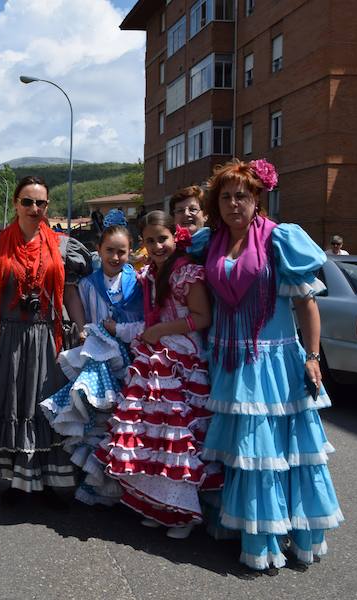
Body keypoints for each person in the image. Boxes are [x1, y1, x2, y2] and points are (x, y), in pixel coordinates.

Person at [197, 159, 342, 573]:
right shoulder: (211, 242)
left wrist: (312, 358)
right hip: (229, 360)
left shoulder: (281, 240)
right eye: (225, 197)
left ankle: (282, 537)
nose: (233, 203)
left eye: (241, 195)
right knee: (247, 456)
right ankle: (252, 531)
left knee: (282, 453)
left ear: (257, 198)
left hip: (275, 362)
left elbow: (306, 305)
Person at [0, 175, 91, 507]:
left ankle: (44, 482)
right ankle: (18, 481)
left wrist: (85, 330)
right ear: (16, 203)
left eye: (40, 202)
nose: (34, 208)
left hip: (48, 337)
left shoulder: (62, 247)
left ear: (47, 206)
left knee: (44, 406)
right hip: (10, 338)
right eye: (27, 201)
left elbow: (70, 295)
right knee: (14, 402)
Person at [92, 210, 217, 538]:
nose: (157, 245)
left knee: (176, 436)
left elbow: (202, 317)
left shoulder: (186, 271)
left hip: (182, 357)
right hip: (157, 352)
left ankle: (185, 513)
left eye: (162, 238)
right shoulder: (149, 274)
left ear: (175, 237)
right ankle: (161, 505)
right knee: (155, 437)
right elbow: (149, 323)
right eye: (150, 240)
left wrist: (161, 330)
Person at [40, 209, 145, 508]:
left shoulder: (137, 282)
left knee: (124, 420)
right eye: (109, 251)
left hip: (131, 359)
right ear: (98, 250)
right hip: (97, 360)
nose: (115, 257)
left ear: (130, 253)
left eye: (121, 252)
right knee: (96, 418)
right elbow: (81, 322)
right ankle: (94, 482)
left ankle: (124, 484)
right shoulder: (88, 285)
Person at [170, 185, 209, 258]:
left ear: (205, 215)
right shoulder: (168, 251)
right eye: (180, 210)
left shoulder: (217, 244)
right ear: (173, 218)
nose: (186, 214)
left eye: (193, 209)